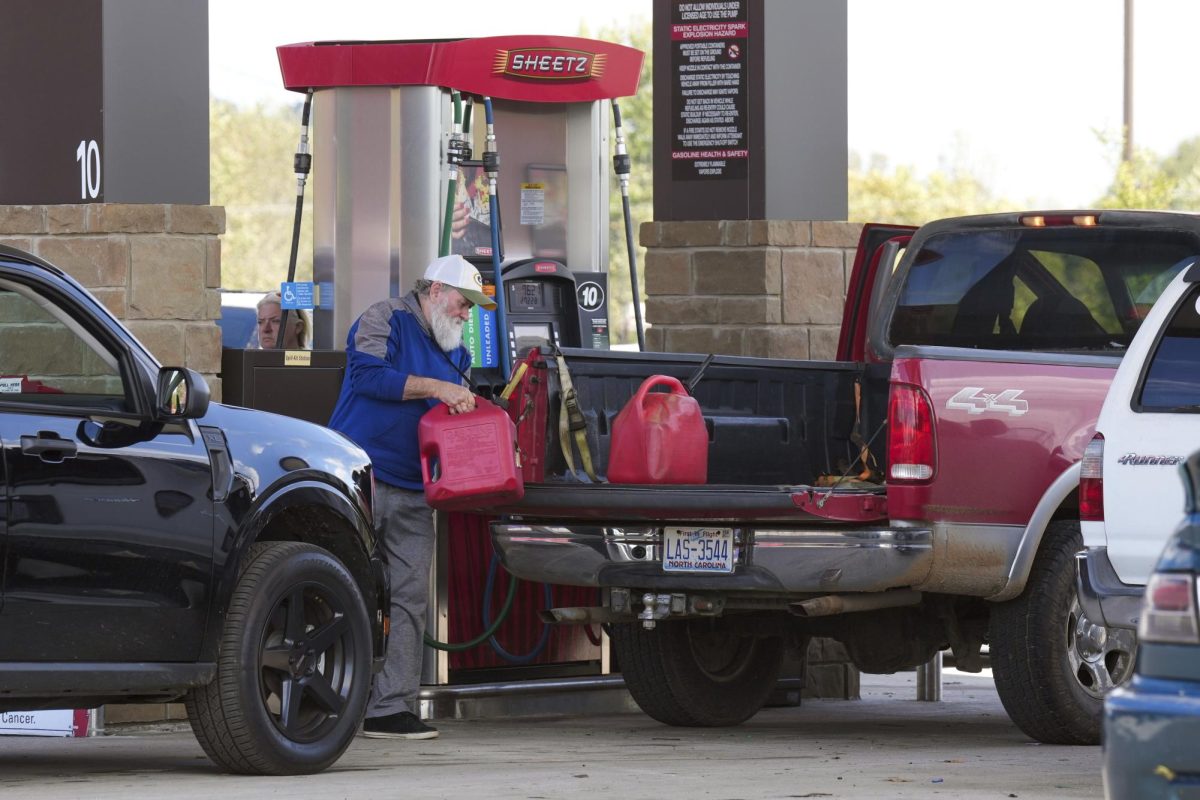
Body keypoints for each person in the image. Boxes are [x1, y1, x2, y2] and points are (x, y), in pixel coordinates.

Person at [328, 254, 495, 740]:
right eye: (465, 304)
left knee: (407, 598)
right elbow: (366, 377)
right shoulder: (385, 318)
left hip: (416, 489)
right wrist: (440, 387)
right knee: (342, 588)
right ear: (437, 290)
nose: (468, 315)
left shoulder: (456, 354)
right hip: (359, 478)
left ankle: (389, 709)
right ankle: (329, 700)